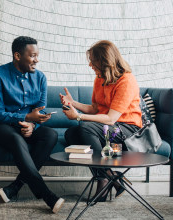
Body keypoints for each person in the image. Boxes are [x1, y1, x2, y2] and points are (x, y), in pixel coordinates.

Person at [0, 36, 65, 213]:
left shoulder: (40, 78)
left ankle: (14, 187)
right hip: (0, 127)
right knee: (16, 139)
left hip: (27, 124)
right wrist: (27, 117)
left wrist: (33, 125)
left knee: (50, 135)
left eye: (37, 55)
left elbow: (41, 110)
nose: (37, 60)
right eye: (32, 56)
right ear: (17, 55)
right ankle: (46, 195)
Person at [61, 40, 142, 201]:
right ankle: (111, 176)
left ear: (105, 61)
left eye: (93, 60)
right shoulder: (100, 78)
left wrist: (77, 116)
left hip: (128, 129)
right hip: (106, 126)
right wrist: (73, 103)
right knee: (71, 134)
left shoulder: (126, 80)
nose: (90, 64)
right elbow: (95, 109)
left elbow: (111, 119)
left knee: (84, 128)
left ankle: (103, 181)